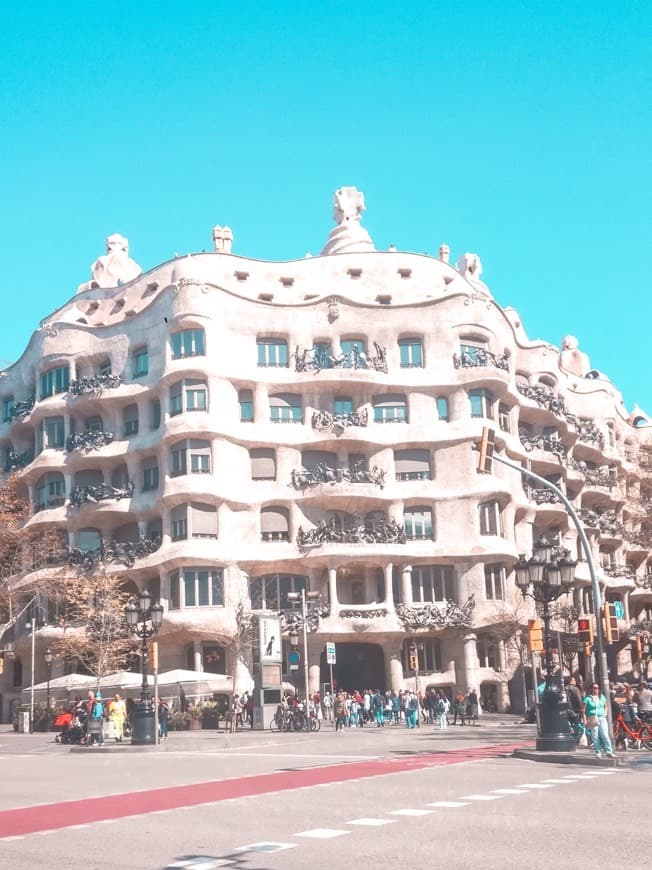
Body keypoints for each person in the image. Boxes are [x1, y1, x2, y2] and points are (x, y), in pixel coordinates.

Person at [583, 682, 615, 759]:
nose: (596, 689)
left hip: (602, 717)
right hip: (592, 718)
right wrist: (585, 720)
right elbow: (583, 710)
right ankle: (598, 752)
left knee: (605, 735)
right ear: (591, 689)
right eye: (595, 688)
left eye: (597, 688)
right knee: (595, 736)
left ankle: (609, 752)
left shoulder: (602, 697)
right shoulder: (587, 698)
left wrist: (605, 713)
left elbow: (605, 706)